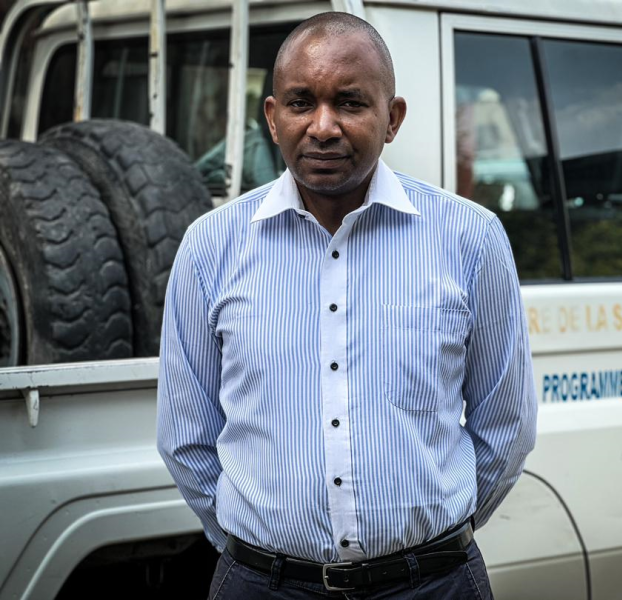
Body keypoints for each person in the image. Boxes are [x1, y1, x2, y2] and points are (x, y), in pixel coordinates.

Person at [156, 11, 536, 599]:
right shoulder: (211, 247)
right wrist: (263, 554)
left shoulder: (470, 240)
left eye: (351, 103)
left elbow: (506, 426)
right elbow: (186, 435)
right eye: (302, 102)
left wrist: (427, 545)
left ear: (393, 118)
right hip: (262, 587)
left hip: (432, 586)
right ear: (273, 116)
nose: (323, 126)